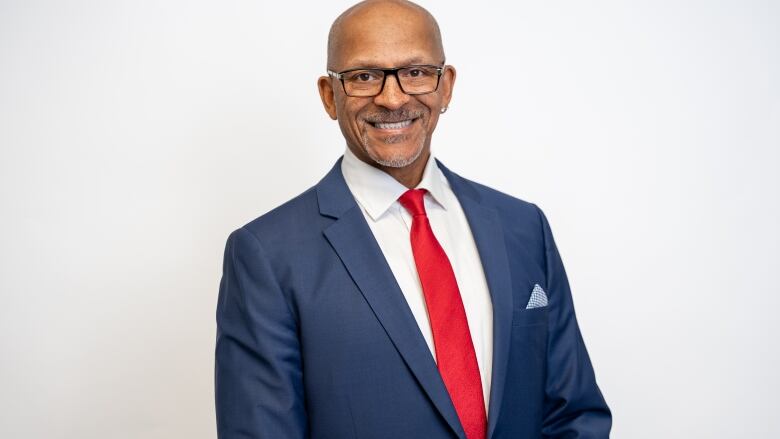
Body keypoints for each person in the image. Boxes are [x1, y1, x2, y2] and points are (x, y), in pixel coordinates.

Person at [214, 0, 611, 437]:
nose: (393, 97)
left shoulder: (522, 226)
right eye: (364, 76)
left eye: (416, 72)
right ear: (330, 95)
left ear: (446, 86)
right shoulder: (267, 254)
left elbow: (574, 414)